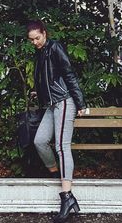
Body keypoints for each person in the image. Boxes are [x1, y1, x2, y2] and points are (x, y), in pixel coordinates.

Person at [27, 20, 86, 223]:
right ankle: (57, 173)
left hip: (64, 102)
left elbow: (69, 74)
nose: (35, 42)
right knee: (39, 141)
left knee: (62, 146)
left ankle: (67, 197)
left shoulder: (55, 47)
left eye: (38, 38)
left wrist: (80, 103)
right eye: (32, 39)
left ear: (45, 33)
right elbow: (49, 79)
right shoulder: (41, 52)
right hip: (52, 105)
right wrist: (40, 92)